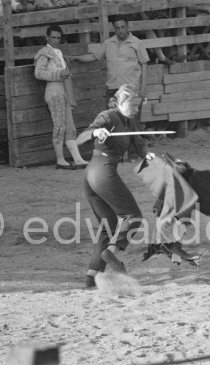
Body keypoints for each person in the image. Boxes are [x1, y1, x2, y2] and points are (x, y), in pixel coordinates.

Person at [76, 84, 155, 288]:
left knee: (108, 228)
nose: (137, 109)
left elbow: (138, 144)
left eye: (138, 106)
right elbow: (81, 137)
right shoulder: (108, 116)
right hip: (101, 171)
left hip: (94, 175)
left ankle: (92, 276)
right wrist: (96, 133)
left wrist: (148, 156)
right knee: (133, 216)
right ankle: (112, 252)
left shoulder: (130, 121)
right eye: (134, 105)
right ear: (120, 102)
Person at [72, 15, 150, 162]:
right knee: (112, 123)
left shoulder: (137, 43)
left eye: (123, 27)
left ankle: (133, 155)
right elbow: (94, 57)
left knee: (133, 123)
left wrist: (143, 88)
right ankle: (115, 154)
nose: (120, 30)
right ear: (114, 28)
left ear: (128, 27)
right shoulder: (108, 44)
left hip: (130, 91)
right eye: (117, 28)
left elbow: (145, 64)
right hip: (113, 90)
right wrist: (75, 58)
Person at [34, 25, 88, 170]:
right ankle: (60, 159)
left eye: (58, 38)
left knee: (69, 125)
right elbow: (38, 73)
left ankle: (77, 158)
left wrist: (71, 97)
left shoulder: (58, 52)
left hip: (62, 90)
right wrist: (58, 75)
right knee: (59, 125)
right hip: (53, 90)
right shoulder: (44, 53)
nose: (56, 40)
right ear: (47, 37)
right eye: (53, 37)